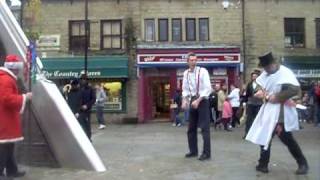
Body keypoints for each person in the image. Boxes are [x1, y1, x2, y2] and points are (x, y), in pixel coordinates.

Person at [245, 52, 309, 175]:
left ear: (273, 64)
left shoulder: (285, 73)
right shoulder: (266, 73)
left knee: (287, 139)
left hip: (281, 111)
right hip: (268, 110)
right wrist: (261, 93)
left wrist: (277, 97)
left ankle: (302, 163)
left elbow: (294, 89)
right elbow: (260, 86)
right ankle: (263, 164)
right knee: (264, 138)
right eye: (265, 68)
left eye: (267, 67)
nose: (266, 70)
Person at [0, 54, 32, 178]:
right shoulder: (6, 80)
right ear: (13, 68)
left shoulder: (5, 78)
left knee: (8, 146)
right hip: (4, 119)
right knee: (4, 147)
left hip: (6, 118)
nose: (19, 70)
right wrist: (25, 97)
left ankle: (12, 170)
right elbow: (7, 99)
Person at [181, 52, 212, 161]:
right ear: (188, 62)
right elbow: (185, 89)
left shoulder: (203, 71)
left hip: (202, 100)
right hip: (192, 100)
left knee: (204, 128)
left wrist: (198, 100)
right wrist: (184, 100)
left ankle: (206, 153)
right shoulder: (185, 73)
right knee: (191, 128)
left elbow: (208, 88)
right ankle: (193, 151)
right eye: (191, 60)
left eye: (195, 60)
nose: (194, 62)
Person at [243, 70, 263, 137]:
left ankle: (258, 133)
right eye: (253, 76)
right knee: (249, 119)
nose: (254, 77)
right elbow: (247, 94)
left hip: (259, 103)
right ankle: (247, 133)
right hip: (251, 103)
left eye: (255, 76)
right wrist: (244, 102)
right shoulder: (249, 84)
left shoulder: (261, 84)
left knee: (258, 119)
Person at [79, 74, 96, 141]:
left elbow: (93, 99)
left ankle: (88, 138)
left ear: (87, 81)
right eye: (82, 79)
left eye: (84, 80)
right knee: (79, 124)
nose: (83, 81)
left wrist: (87, 105)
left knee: (86, 125)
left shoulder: (90, 89)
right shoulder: (79, 88)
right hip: (78, 110)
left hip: (86, 110)